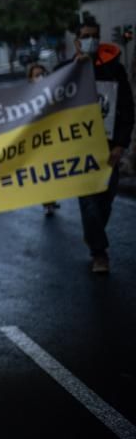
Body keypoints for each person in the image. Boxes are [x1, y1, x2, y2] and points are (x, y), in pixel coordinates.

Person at [60, 17, 134, 273]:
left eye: (95, 35)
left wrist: (121, 145)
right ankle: (99, 253)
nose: (91, 40)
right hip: (80, 151)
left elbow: (126, 109)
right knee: (89, 202)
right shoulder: (66, 71)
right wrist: (74, 71)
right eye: (86, 36)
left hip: (109, 149)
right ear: (77, 41)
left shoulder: (114, 70)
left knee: (105, 201)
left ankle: (93, 235)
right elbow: (46, 99)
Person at [26, 63, 61, 217]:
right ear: (30, 78)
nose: (40, 77)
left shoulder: (54, 91)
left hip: (52, 137)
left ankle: (51, 200)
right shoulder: (26, 95)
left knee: (52, 171)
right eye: (36, 75)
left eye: (42, 73)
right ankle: (47, 202)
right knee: (43, 172)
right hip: (36, 141)